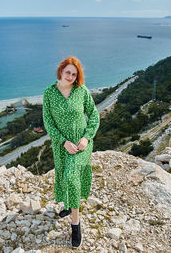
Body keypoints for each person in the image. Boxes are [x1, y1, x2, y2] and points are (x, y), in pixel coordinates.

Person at [42, 56, 100, 248]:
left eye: (74, 74)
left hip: (82, 144)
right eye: (67, 72)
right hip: (62, 145)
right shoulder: (49, 94)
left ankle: (76, 225)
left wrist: (86, 138)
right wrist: (63, 141)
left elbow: (94, 115)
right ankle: (68, 204)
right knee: (64, 175)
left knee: (72, 176)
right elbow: (48, 123)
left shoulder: (81, 91)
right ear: (61, 71)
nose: (70, 76)